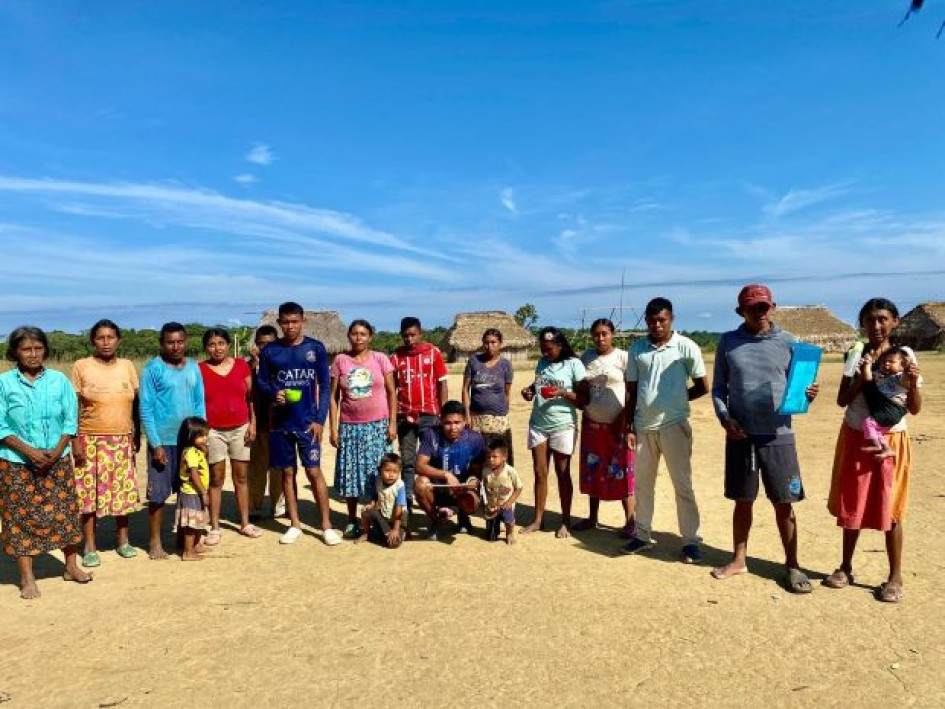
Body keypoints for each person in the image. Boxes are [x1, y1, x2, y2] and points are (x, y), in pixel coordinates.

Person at [710, 285, 819, 593]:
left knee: (784, 502)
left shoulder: (788, 343)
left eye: (763, 307)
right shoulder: (728, 343)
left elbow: (799, 391)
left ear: (773, 307)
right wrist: (724, 418)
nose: (758, 313)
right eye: (752, 308)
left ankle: (793, 565)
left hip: (779, 435)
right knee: (743, 500)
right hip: (740, 434)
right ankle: (739, 560)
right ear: (740, 312)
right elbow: (719, 388)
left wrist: (807, 395)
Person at [824, 298, 922, 603]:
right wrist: (862, 376)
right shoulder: (855, 354)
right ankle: (845, 567)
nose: (876, 326)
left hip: (892, 440)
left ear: (894, 322)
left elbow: (914, 409)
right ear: (862, 324)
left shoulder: (903, 356)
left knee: (891, 506)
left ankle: (895, 576)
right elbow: (842, 399)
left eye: (882, 319)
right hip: (856, 433)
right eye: (869, 320)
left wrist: (915, 383)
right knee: (852, 502)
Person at [0, 326, 91, 599]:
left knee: (64, 513)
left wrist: (59, 448)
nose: (32, 354)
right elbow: (1, 424)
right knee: (19, 517)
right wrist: (29, 451)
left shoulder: (59, 380)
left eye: (38, 348)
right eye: (26, 349)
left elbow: (69, 418)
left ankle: (71, 566)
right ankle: (27, 577)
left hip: (57, 458)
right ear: (15, 351)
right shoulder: (4, 383)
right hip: (16, 461)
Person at [620, 300, 708, 563]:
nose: (657, 325)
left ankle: (691, 541)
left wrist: (678, 401)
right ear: (646, 320)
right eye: (652, 320)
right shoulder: (637, 348)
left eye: (662, 320)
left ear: (672, 319)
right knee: (643, 485)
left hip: (674, 426)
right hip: (643, 428)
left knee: (683, 485)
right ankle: (642, 535)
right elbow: (632, 392)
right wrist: (629, 427)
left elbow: (703, 385)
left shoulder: (685, 346)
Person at [256, 302, 340, 546]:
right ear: (279, 323)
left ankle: (326, 526)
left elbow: (325, 386)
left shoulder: (315, 348)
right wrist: (274, 393)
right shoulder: (270, 351)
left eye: (295, 321)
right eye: (285, 321)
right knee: (287, 473)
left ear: (303, 321)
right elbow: (261, 382)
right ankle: (294, 524)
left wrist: (319, 419)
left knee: (314, 472)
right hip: (280, 423)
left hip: (307, 423)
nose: (290, 326)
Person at [70, 319, 141, 566]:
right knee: (88, 494)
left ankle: (123, 540)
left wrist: (136, 434)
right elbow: (72, 407)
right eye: (100, 338)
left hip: (122, 439)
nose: (106, 342)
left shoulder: (128, 366)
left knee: (121, 490)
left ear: (119, 340)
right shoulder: (81, 366)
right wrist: (74, 440)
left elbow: (136, 402)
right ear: (93, 341)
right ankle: (89, 544)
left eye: (111, 337)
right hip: (89, 439)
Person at [140, 322, 206, 560]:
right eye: (170, 342)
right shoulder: (152, 369)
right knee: (158, 495)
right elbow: (146, 408)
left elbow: (199, 402)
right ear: (162, 343)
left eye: (180, 341)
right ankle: (155, 542)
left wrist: (201, 437)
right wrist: (155, 443)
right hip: (163, 440)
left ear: (186, 341)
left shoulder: (193, 367)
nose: (175, 346)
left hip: (188, 442)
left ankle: (185, 537)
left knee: (187, 490)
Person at [329, 319, 397, 538]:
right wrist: (333, 428)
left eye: (363, 334)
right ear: (349, 336)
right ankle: (351, 520)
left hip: (378, 426)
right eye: (355, 334)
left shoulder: (380, 359)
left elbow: (391, 393)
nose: (359, 338)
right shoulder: (340, 360)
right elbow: (333, 397)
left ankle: (377, 517)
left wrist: (392, 422)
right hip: (349, 427)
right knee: (351, 473)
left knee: (377, 473)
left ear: (370, 337)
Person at [521, 327, 586, 538]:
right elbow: (539, 384)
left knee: (562, 473)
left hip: (563, 425)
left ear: (560, 346)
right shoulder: (542, 363)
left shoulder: (574, 365)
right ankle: (538, 520)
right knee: (540, 473)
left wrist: (562, 393)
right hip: (539, 424)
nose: (545, 353)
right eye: (542, 349)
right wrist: (529, 390)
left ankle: (565, 521)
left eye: (549, 349)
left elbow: (583, 400)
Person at [573, 319, 634, 537]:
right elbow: (580, 387)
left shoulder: (624, 358)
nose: (600, 338)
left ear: (613, 335)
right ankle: (592, 517)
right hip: (592, 425)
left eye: (605, 334)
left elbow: (632, 392)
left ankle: (630, 521)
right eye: (596, 334)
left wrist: (627, 422)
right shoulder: (586, 358)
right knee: (593, 471)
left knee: (622, 472)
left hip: (618, 426)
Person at [199, 327, 260, 542]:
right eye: (212, 344)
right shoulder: (200, 370)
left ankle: (245, 523)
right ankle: (214, 527)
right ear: (206, 348)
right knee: (216, 479)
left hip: (240, 428)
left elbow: (251, 398)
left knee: (241, 477)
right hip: (213, 431)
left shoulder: (241, 365)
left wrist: (253, 424)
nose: (217, 348)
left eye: (221, 343)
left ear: (227, 345)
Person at [390, 316, 449, 504]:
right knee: (407, 460)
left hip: (430, 416)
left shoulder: (433, 354)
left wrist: (443, 413)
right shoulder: (396, 358)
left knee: (429, 460)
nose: (409, 339)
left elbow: (442, 385)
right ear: (401, 335)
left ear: (420, 334)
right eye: (405, 335)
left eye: (413, 335)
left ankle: (431, 497)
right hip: (404, 416)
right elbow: (391, 390)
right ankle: (407, 499)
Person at [415, 400, 486, 540]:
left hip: (462, 488)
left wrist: (472, 481)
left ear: (465, 421)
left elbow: (477, 471)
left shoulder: (475, 439)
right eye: (448, 423)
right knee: (420, 484)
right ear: (440, 421)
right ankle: (436, 521)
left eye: (457, 422)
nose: (452, 427)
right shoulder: (431, 435)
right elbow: (419, 465)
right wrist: (446, 474)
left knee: (473, 499)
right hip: (439, 487)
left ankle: (464, 517)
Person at [246, 325, 284, 519]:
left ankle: (278, 505)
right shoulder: (248, 367)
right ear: (256, 346)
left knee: (278, 468)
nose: (265, 348)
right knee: (256, 468)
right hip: (258, 423)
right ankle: (254, 505)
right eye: (261, 344)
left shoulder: (284, 364)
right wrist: (255, 366)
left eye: (269, 344)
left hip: (280, 424)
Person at [461, 328, 515, 464]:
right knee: (477, 459)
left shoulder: (505, 365)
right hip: (476, 419)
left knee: (498, 459)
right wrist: (467, 415)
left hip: (498, 420)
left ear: (500, 343)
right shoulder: (474, 362)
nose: (489, 346)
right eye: (486, 342)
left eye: (493, 342)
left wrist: (504, 413)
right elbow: (465, 389)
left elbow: (507, 392)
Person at [856, 347, 911, 459]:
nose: (886, 364)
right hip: (888, 413)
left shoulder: (899, 377)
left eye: (891, 362)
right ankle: (886, 449)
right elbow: (867, 379)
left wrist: (906, 369)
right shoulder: (879, 375)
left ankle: (876, 445)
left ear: (901, 365)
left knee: (868, 423)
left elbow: (907, 381)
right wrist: (867, 364)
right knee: (877, 431)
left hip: (892, 408)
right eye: (883, 361)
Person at [175, 417, 212, 561]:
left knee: (198, 520)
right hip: (192, 492)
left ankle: (195, 545)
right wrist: (203, 492)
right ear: (191, 436)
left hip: (196, 491)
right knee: (191, 524)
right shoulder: (190, 452)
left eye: (205, 435)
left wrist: (204, 448)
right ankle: (188, 552)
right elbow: (194, 474)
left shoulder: (196, 450)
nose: (205, 438)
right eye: (201, 436)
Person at [355, 453, 407, 548]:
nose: (391, 475)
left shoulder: (400, 486)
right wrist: (372, 504)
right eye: (387, 470)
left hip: (397, 520)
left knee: (393, 544)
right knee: (365, 511)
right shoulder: (377, 480)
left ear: (400, 472)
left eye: (395, 472)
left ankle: (399, 532)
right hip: (384, 516)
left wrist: (395, 529)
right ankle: (367, 533)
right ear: (380, 470)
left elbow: (399, 510)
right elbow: (376, 495)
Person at [483, 437, 523, 545]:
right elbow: (483, 485)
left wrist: (510, 501)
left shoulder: (510, 471)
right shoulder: (486, 471)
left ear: (504, 457)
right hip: (492, 506)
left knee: (508, 520)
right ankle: (494, 528)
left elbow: (519, 487)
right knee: (490, 538)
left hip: (506, 505)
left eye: (494, 457)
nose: (491, 459)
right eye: (488, 457)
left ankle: (509, 533)